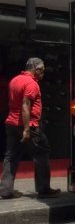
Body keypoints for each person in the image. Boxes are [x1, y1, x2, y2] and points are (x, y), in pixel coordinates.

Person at [0, 58, 61, 199]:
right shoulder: (32, 84)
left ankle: (5, 190)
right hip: (29, 126)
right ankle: (43, 188)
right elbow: (25, 105)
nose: (43, 74)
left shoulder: (14, 80)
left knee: (11, 157)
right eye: (42, 71)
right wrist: (27, 129)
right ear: (36, 69)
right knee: (42, 153)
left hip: (11, 123)